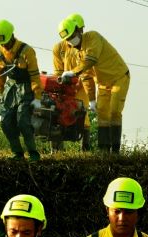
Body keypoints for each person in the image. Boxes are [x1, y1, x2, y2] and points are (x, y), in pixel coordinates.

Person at [57, 17, 129, 153]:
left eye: (72, 36)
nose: (71, 41)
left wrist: (73, 72)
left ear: (79, 31)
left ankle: (115, 150)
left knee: (114, 111)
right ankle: (103, 150)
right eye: (68, 39)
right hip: (103, 83)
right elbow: (86, 76)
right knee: (102, 113)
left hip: (119, 77)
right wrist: (91, 100)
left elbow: (91, 59)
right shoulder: (77, 53)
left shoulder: (93, 38)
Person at [0, 19, 43, 162]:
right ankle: (17, 153)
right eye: (0, 43)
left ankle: (33, 153)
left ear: (12, 36)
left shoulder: (27, 51)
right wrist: (0, 91)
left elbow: (34, 75)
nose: (3, 45)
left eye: (5, 42)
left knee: (22, 120)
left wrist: (37, 97)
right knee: (6, 122)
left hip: (26, 87)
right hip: (10, 87)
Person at [52, 13, 95, 151]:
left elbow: (88, 70)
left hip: (82, 86)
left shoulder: (87, 47)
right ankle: (57, 150)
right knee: (58, 113)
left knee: (83, 115)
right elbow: (58, 71)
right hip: (64, 86)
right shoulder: (59, 48)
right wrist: (61, 85)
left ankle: (85, 149)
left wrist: (78, 85)